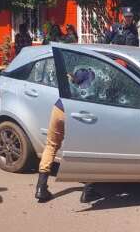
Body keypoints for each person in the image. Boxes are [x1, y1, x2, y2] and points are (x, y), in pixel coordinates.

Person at [35, 67, 100, 203]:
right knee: (91, 150)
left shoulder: (71, 85)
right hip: (79, 112)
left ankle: (40, 188)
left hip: (59, 108)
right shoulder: (92, 89)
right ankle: (88, 191)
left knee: (51, 145)